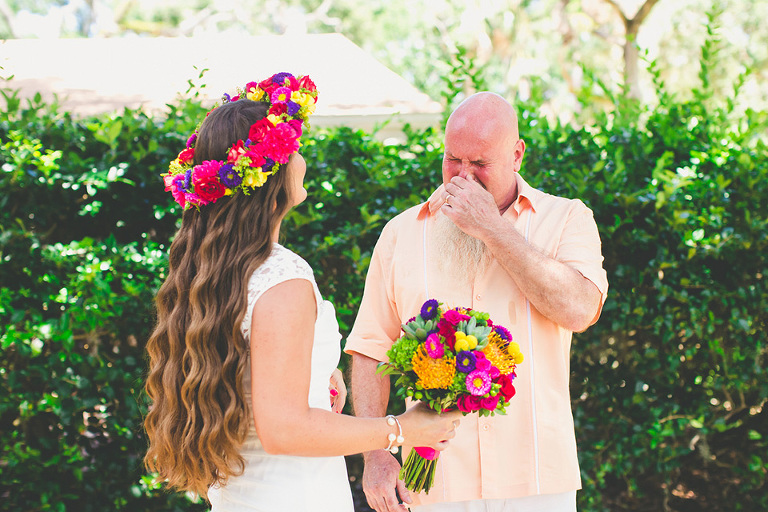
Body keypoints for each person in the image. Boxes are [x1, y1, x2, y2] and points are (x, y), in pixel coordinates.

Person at [143, 72, 462, 512]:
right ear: (270, 172)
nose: (301, 160)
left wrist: (315, 384)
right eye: (293, 149)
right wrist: (403, 428)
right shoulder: (281, 278)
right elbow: (285, 430)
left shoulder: (213, 272)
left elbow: (257, 393)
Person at [346, 91, 609, 512]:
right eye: (453, 159)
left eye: (480, 164)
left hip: (538, 478)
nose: (463, 175)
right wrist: (376, 454)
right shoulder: (401, 232)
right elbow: (369, 349)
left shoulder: (568, 219)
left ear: (517, 154)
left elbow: (579, 309)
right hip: (433, 483)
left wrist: (492, 228)